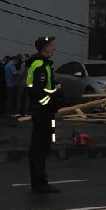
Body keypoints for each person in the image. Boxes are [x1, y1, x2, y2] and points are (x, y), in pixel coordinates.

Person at [25, 36, 61, 194]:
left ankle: (41, 179)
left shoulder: (43, 64)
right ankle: (39, 182)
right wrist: (52, 101)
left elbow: (46, 88)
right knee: (39, 147)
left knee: (47, 143)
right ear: (44, 48)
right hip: (43, 112)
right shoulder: (40, 64)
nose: (53, 48)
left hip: (47, 112)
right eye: (51, 46)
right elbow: (37, 92)